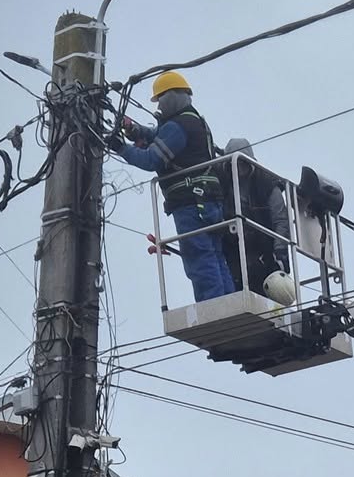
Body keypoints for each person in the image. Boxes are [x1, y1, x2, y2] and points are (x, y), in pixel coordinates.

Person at [116, 71, 233, 304]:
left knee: (199, 258)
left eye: (160, 99)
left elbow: (151, 160)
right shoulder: (195, 120)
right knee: (214, 255)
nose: (159, 106)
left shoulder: (177, 126)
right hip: (209, 201)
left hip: (191, 203)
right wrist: (135, 130)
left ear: (171, 96)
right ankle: (228, 304)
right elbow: (157, 135)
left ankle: (213, 307)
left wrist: (121, 147)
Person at [220, 137, 295, 303]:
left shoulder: (267, 184)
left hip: (264, 250)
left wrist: (280, 254)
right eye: (234, 164)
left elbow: (280, 220)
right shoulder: (223, 185)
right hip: (234, 249)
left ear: (250, 163)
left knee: (269, 291)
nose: (239, 168)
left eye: (242, 163)